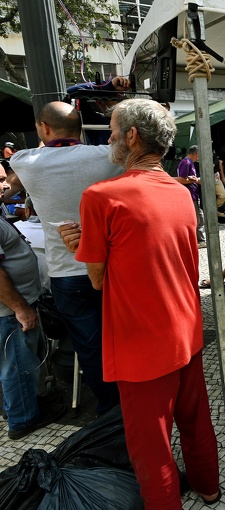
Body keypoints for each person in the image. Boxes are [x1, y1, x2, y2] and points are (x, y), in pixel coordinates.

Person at [62, 99, 220, 508]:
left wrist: (78, 243)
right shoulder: (181, 193)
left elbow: (97, 279)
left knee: (150, 444)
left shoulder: (100, 197)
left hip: (141, 341)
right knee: (195, 419)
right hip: (185, 328)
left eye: (113, 130)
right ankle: (209, 485)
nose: (109, 138)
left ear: (132, 136)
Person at [9, 101, 121, 416]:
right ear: (81, 127)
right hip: (112, 266)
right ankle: (135, 399)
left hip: (67, 274)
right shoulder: (106, 157)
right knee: (125, 336)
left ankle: (109, 410)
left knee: (90, 347)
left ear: (43, 128)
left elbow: (17, 173)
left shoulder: (26, 162)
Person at [0, 165, 66, 440]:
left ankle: (27, 404)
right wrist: (20, 308)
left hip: (18, 305)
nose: (5, 185)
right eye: (0, 180)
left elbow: (15, 185)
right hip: (10, 310)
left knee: (23, 360)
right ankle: (23, 418)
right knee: (17, 365)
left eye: (4, 179)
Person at [176, 145, 206, 248]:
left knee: (200, 217)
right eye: (199, 155)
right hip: (190, 195)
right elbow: (181, 180)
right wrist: (195, 180)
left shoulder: (189, 162)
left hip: (193, 194)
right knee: (197, 218)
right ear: (196, 154)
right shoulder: (186, 163)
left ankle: (200, 240)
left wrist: (195, 179)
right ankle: (199, 241)